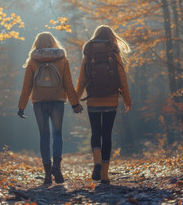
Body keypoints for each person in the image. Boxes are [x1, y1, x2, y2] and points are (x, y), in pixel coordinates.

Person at [18, 32, 82, 185]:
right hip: (57, 100)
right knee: (58, 134)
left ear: (37, 43)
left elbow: (27, 87)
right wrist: (75, 104)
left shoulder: (33, 61)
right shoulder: (62, 59)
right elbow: (68, 84)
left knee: (44, 135)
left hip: (39, 102)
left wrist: (21, 107)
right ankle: (57, 167)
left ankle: (47, 174)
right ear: (53, 42)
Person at [75, 25, 132, 184]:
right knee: (107, 135)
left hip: (93, 99)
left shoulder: (89, 51)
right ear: (111, 36)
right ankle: (105, 175)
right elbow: (122, 78)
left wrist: (75, 99)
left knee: (96, 133)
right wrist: (127, 100)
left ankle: (97, 162)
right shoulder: (113, 51)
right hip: (111, 99)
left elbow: (82, 78)